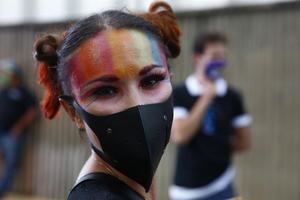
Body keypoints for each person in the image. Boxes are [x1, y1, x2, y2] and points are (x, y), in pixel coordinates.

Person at [33, 1, 180, 199]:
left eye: (151, 80)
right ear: (73, 111)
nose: (138, 104)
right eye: (106, 91)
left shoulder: (129, 182)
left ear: (170, 77)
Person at [169, 32, 252, 200]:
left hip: (223, 185)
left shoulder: (232, 96)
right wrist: (207, 97)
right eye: (214, 56)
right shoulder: (180, 93)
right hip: (187, 191)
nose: (219, 62)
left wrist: (217, 146)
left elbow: (244, 142)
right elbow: (180, 136)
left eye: (223, 56)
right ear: (197, 57)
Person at [0, 59, 36, 197]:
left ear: (15, 75)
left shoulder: (24, 92)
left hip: (12, 134)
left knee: (11, 162)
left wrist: (18, 128)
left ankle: (1, 191)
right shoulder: (4, 90)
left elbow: (31, 112)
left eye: (7, 73)